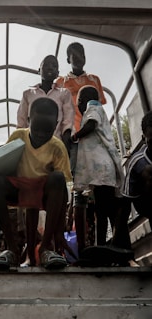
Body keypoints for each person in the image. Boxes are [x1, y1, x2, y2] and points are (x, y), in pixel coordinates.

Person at [0, 97, 73, 270]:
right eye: (37, 128)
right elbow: (2, 164)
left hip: (42, 192)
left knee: (57, 178)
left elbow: (63, 190)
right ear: (28, 121)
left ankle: (44, 248)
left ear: (56, 124)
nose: (41, 133)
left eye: (47, 129)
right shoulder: (18, 136)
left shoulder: (57, 147)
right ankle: (11, 249)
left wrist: (59, 232)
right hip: (19, 189)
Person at [55, 42, 107, 254]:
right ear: (68, 59)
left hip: (92, 138)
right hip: (73, 140)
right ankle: (83, 249)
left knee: (99, 191)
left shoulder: (94, 80)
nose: (78, 57)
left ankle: (100, 245)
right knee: (79, 190)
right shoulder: (61, 81)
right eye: (74, 55)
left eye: (81, 54)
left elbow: (99, 108)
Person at [72, 86, 124, 247]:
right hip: (103, 172)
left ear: (85, 100)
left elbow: (91, 125)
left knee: (102, 211)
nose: (79, 104)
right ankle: (114, 245)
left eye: (79, 100)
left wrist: (75, 136)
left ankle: (102, 246)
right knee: (107, 210)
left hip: (102, 171)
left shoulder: (92, 107)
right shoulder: (99, 110)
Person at [17, 54, 75, 153]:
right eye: (46, 64)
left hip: (55, 145)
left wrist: (65, 145)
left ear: (57, 73)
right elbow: (21, 122)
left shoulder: (64, 93)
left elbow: (68, 121)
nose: (50, 67)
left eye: (54, 66)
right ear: (39, 70)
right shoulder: (28, 94)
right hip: (31, 146)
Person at [114, 110, 152, 252]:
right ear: (144, 138)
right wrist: (118, 243)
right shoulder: (137, 162)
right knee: (149, 170)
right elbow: (124, 205)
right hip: (146, 202)